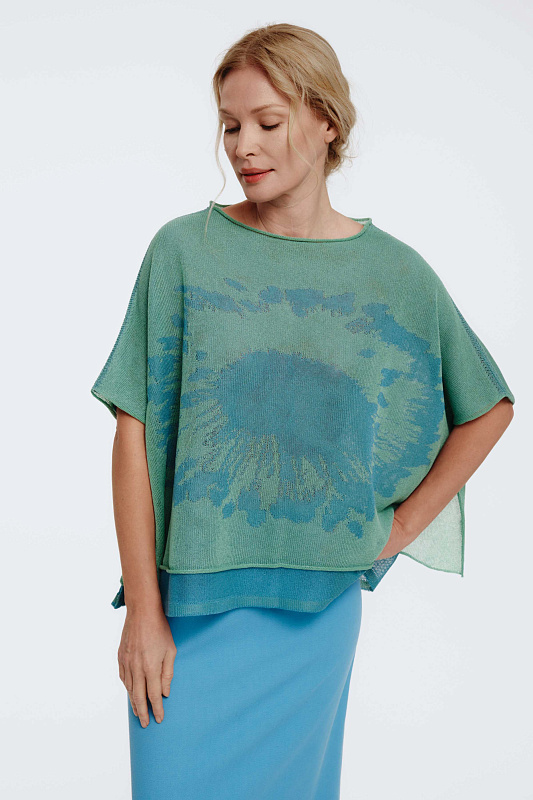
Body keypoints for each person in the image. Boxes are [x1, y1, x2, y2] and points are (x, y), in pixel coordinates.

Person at [90, 23, 515, 800]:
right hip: (187, 612)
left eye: (267, 122)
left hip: (316, 613)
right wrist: (142, 611)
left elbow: (485, 406)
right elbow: (134, 431)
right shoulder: (182, 251)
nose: (243, 146)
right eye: (229, 126)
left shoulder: (392, 274)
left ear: (327, 122)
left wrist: (399, 527)